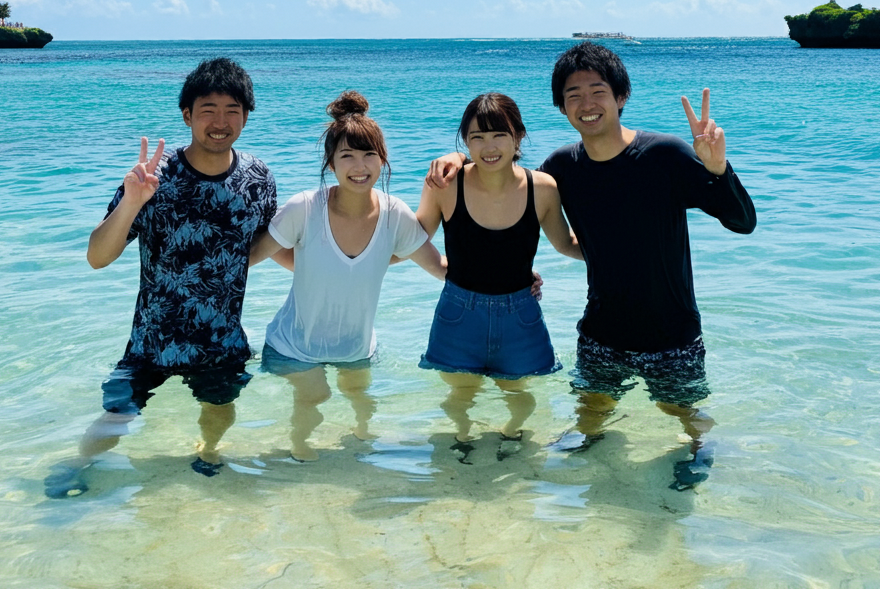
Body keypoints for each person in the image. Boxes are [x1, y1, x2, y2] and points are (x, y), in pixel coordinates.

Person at [429, 43, 756, 489]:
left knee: (683, 411)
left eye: (597, 91)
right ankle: (589, 453)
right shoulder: (563, 167)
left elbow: (742, 222)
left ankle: (702, 449)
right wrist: (455, 160)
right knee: (591, 410)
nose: (587, 104)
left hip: (671, 327)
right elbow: (505, 178)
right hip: (602, 329)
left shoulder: (665, 154)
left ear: (620, 96)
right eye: (573, 95)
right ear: (561, 107)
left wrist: (718, 169)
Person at [44, 57, 277, 497]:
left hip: (221, 339)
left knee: (220, 409)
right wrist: (132, 200)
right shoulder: (153, 177)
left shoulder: (258, 177)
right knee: (116, 416)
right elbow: (97, 257)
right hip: (152, 340)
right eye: (208, 109)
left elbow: (261, 244)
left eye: (233, 110)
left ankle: (207, 453)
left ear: (246, 115)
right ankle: (76, 466)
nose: (220, 121)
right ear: (187, 114)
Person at [248, 91, 447, 462]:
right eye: (347, 155)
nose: (360, 165)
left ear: (383, 159)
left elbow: (440, 268)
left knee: (362, 408)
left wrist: (510, 276)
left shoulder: (394, 215)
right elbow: (254, 256)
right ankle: (299, 454)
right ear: (331, 162)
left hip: (357, 349)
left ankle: (359, 453)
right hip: (293, 347)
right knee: (315, 396)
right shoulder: (305, 207)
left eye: (369, 154)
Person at [416, 93, 581, 451]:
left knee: (520, 395)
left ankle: (511, 439)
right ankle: (461, 441)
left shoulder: (542, 188)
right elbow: (413, 238)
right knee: (460, 396)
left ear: (518, 136)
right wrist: (441, 268)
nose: (488, 147)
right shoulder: (445, 186)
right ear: (465, 142)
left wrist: (625, 251)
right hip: (457, 315)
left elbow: (566, 244)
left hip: (520, 315)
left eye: (499, 135)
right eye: (476, 137)